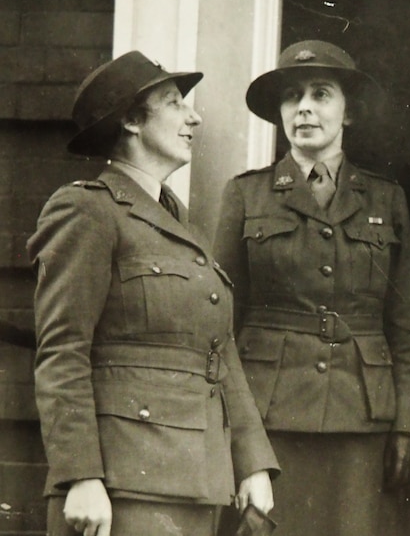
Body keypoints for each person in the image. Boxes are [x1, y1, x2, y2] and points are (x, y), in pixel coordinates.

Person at [27, 51, 280, 536]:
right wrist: (80, 476)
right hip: (123, 486)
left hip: (196, 479)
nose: (195, 116)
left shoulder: (178, 222)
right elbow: (62, 351)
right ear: (131, 120)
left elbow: (217, 350)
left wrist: (252, 462)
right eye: (174, 102)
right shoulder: (87, 211)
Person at [212, 40, 410, 536]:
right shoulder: (246, 194)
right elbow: (219, 323)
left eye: (321, 94)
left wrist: (409, 422)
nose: (304, 107)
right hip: (271, 419)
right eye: (292, 96)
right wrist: (237, 434)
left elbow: (407, 322)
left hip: (362, 416)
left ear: (348, 112)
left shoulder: (386, 199)